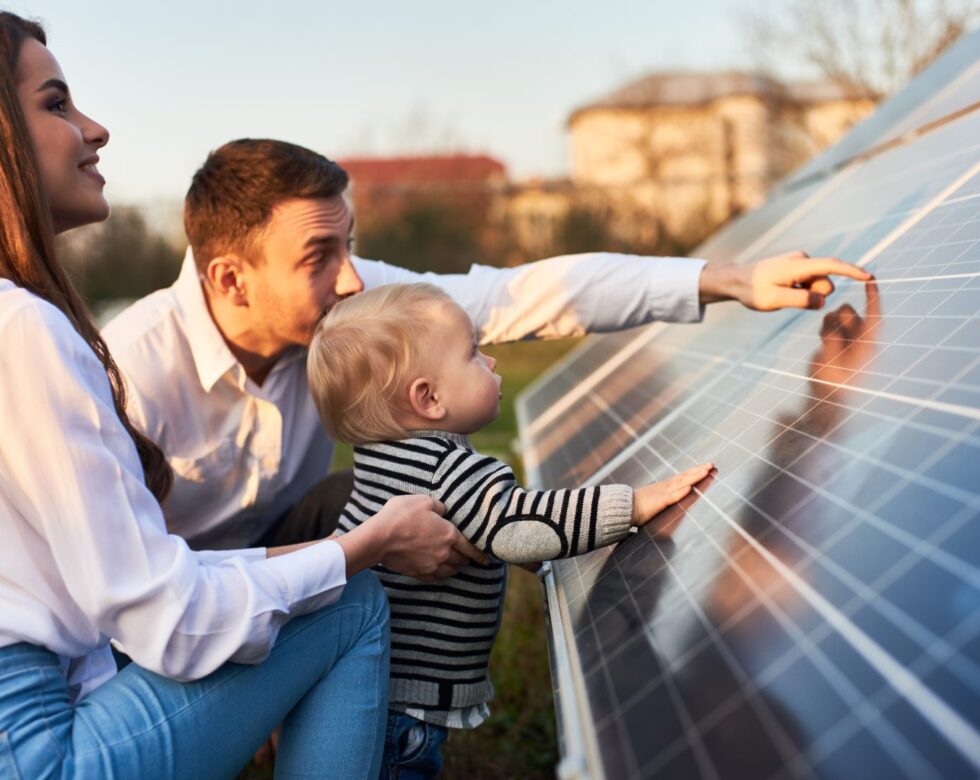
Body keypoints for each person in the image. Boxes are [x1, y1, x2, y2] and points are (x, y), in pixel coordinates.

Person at [0, 12, 486, 778]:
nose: (95, 129)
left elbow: (509, 297)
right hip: (38, 749)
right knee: (351, 601)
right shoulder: (29, 329)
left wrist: (711, 282)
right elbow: (163, 619)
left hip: (57, 689)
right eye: (55, 103)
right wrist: (364, 549)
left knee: (332, 551)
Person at [102, 138, 873, 557]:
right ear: (231, 280)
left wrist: (728, 279)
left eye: (350, 246)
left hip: (284, 549)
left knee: (410, 497)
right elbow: (121, 586)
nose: (349, 283)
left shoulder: (350, 302)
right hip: (167, 604)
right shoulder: (128, 373)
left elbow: (518, 295)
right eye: (318, 259)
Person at [306, 282, 715, 777]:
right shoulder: (448, 469)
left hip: (369, 685)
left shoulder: (379, 461)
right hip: (404, 708)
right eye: (475, 353)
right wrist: (633, 504)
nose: (493, 363)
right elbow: (518, 523)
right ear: (428, 398)